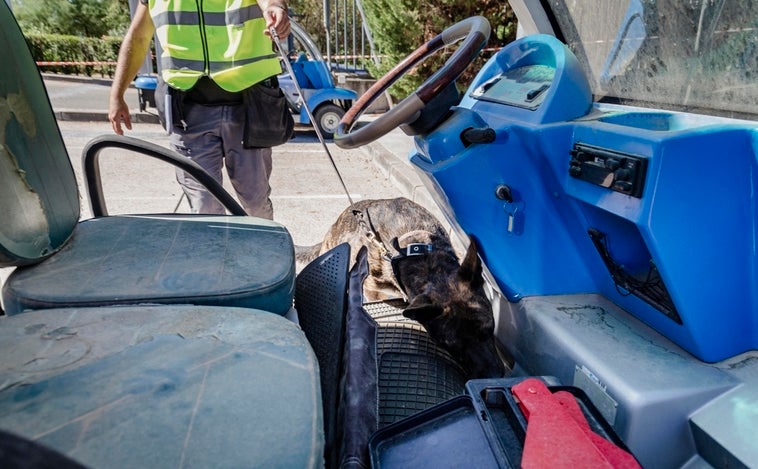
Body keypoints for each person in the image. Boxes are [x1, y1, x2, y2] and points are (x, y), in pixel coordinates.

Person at [108, 0, 291, 219]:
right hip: (187, 110)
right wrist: (116, 94)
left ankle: (262, 251)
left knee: (255, 204)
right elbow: (138, 36)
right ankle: (217, 253)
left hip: (248, 106)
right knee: (204, 209)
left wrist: (276, 6)